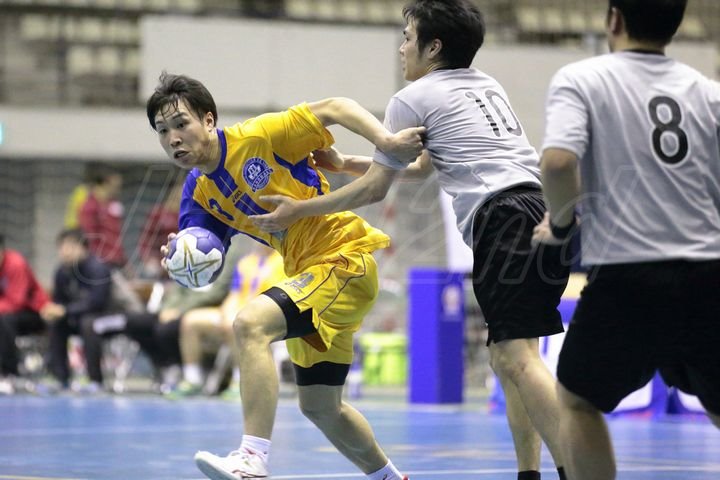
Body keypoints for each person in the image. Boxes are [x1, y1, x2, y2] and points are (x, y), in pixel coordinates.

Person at [250, 2, 569, 479]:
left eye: (407, 36)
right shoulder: (485, 84)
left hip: (502, 219)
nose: (401, 47)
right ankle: (530, 473)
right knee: (510, 358)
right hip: (539, 210)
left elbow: (376, 190)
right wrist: (346, 163)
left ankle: (575, 470)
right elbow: (421, 167)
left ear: (433, 47)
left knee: (517, 359)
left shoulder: (412, 96)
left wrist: (299, 210)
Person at [146, 72, 423, 479]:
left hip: (342, 258)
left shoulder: (258, 136)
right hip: (309, 275)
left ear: (208, 120)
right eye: (162, 131)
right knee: (321, 408)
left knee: (250, 323)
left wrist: (386, 140)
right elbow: (206, 254)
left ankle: (252, 459)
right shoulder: (197, 192)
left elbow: (337, 107)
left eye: (181, 123)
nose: (173, 138)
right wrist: (181, 259)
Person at [531, 1, 720, 478]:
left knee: (577, 399)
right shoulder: (708, 93)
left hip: (629, 273)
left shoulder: (583, 79)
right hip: (708, 273)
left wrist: (561, 226)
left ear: (614, 18)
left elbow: (558, 163)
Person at [171, 243, 285, 398]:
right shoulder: (246, 262)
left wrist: (238, 314)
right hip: (237, 311)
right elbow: (234, 294)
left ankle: (240, 382)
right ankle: (193, 379)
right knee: (190, 321)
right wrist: (226, 312)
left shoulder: (282, 262)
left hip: (265, 315)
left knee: (235, 324)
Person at [47, 229, 115, 393]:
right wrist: (54, 311)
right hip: (79, 317)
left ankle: (96, 380)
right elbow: (59, 301)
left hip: (111, 317)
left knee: (89, 324)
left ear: (83, 248)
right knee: (56, 323)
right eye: (61, 247)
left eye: (70, 247)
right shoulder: (61, 272)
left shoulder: (98, 268)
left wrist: (65, 310)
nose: (65, 252)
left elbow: (97, 302)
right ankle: (61, 379)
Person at [0, 234, 64, 394]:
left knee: (4, 321)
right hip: (8, 313)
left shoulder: (16, 263)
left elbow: (16, 302)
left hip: (35, 313)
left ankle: (9, 374)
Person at [78, 164, 127, 269]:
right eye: (116, 186)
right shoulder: (89, 208)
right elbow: (90, 238)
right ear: (105, 183)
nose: (118, 190)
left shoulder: (113, 205)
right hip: (101, 263)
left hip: (117, 261)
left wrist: (123, 260)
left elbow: (116, 236)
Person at [137, 175, 185, 279]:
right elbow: (145, 239)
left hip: (183, 263)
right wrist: (148, 259)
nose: (182, 193)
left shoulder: (187, 215)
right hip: (159, 262)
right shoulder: (158, 213)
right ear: (172, 191)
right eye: (180, 190)